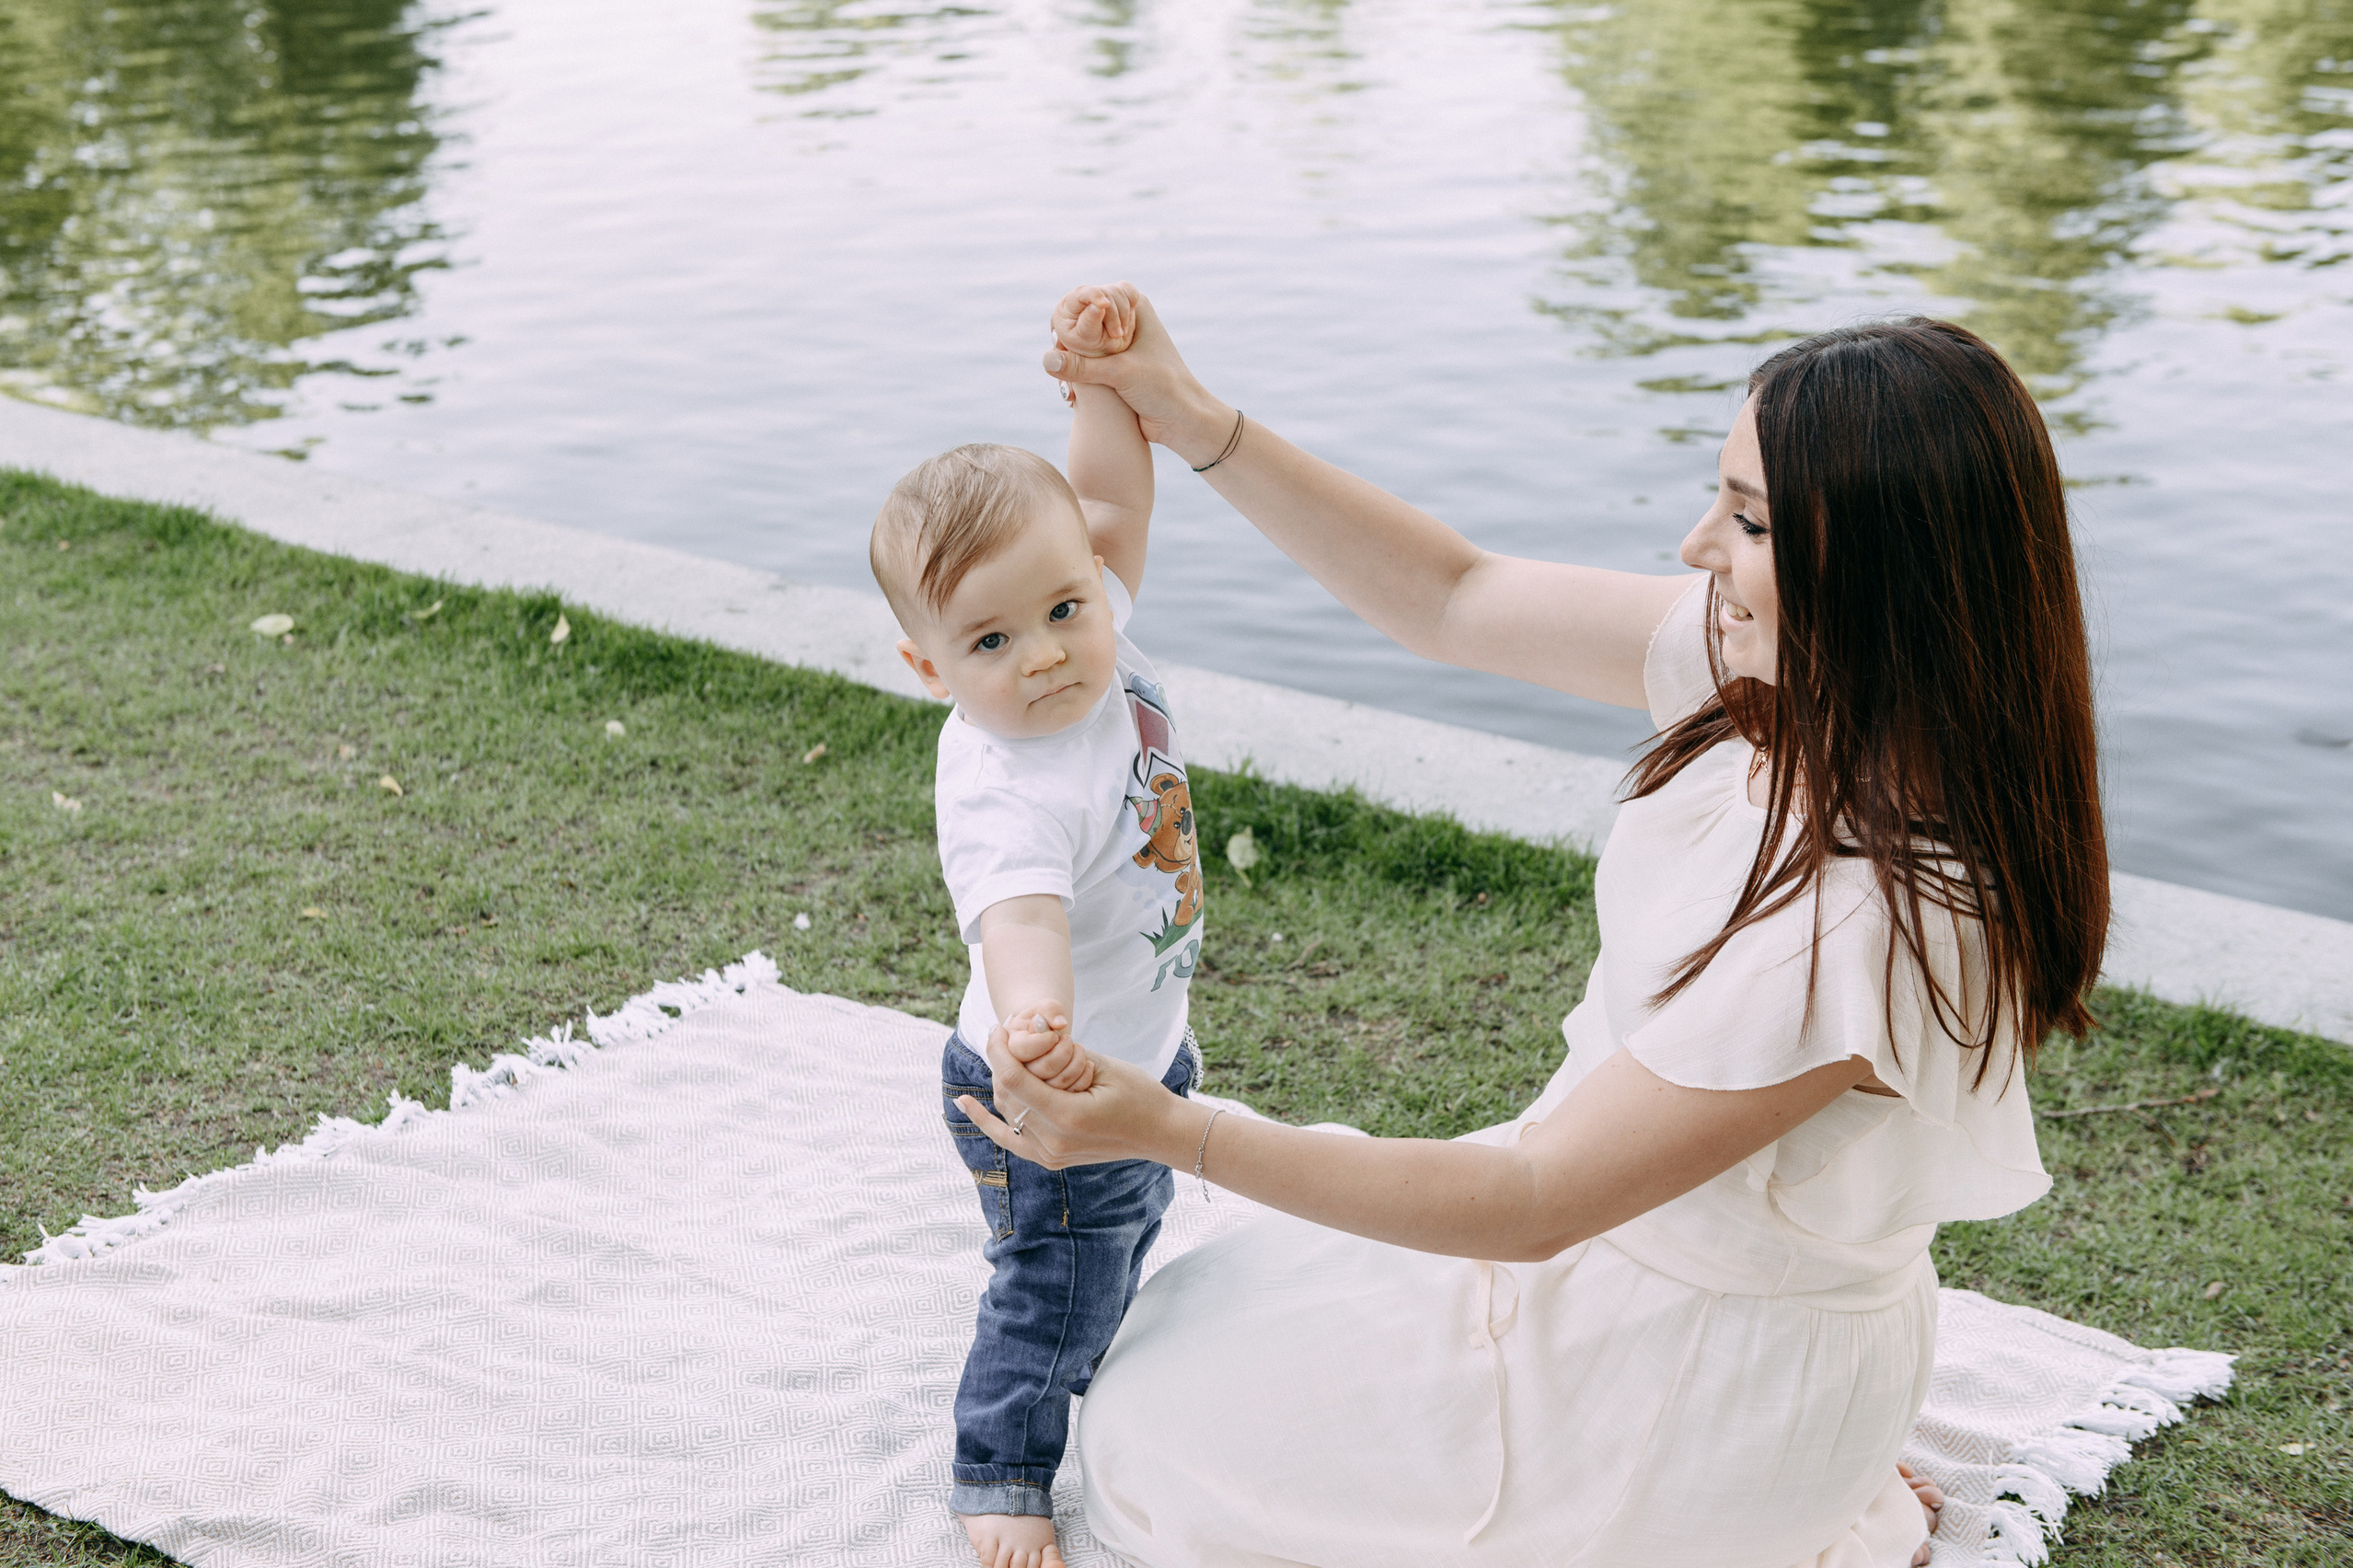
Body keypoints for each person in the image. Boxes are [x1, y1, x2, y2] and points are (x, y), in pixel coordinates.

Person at [951, 294, 2108, 1568]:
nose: (1696, 544)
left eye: (1751, 520)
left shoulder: (1873, 920)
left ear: (1885, 578)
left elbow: (1533, 1199)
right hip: (1625, 1255)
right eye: (1719, 497)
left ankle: (1762, 1485)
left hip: (1686, 1375)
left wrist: (1170, 1131)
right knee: (1184, 1333)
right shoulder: (1788, 674)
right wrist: (1199, 423)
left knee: (1153, 1440)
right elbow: (1455, 597)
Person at [870, 284, 1209, 1568]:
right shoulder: (1008, 783)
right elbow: (1016, 916)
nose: (1052, 654)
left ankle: (1097, 1331)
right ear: (930, 669)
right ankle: (999, 1475)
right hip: (1050, 1074)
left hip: (1136, 1046)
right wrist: (1038, 1018)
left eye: (1066, 609)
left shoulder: (1098, 621)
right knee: (1051, 1283)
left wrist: (1107, 389)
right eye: (993, 640)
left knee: (1111, 1240)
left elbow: (1111, 506)